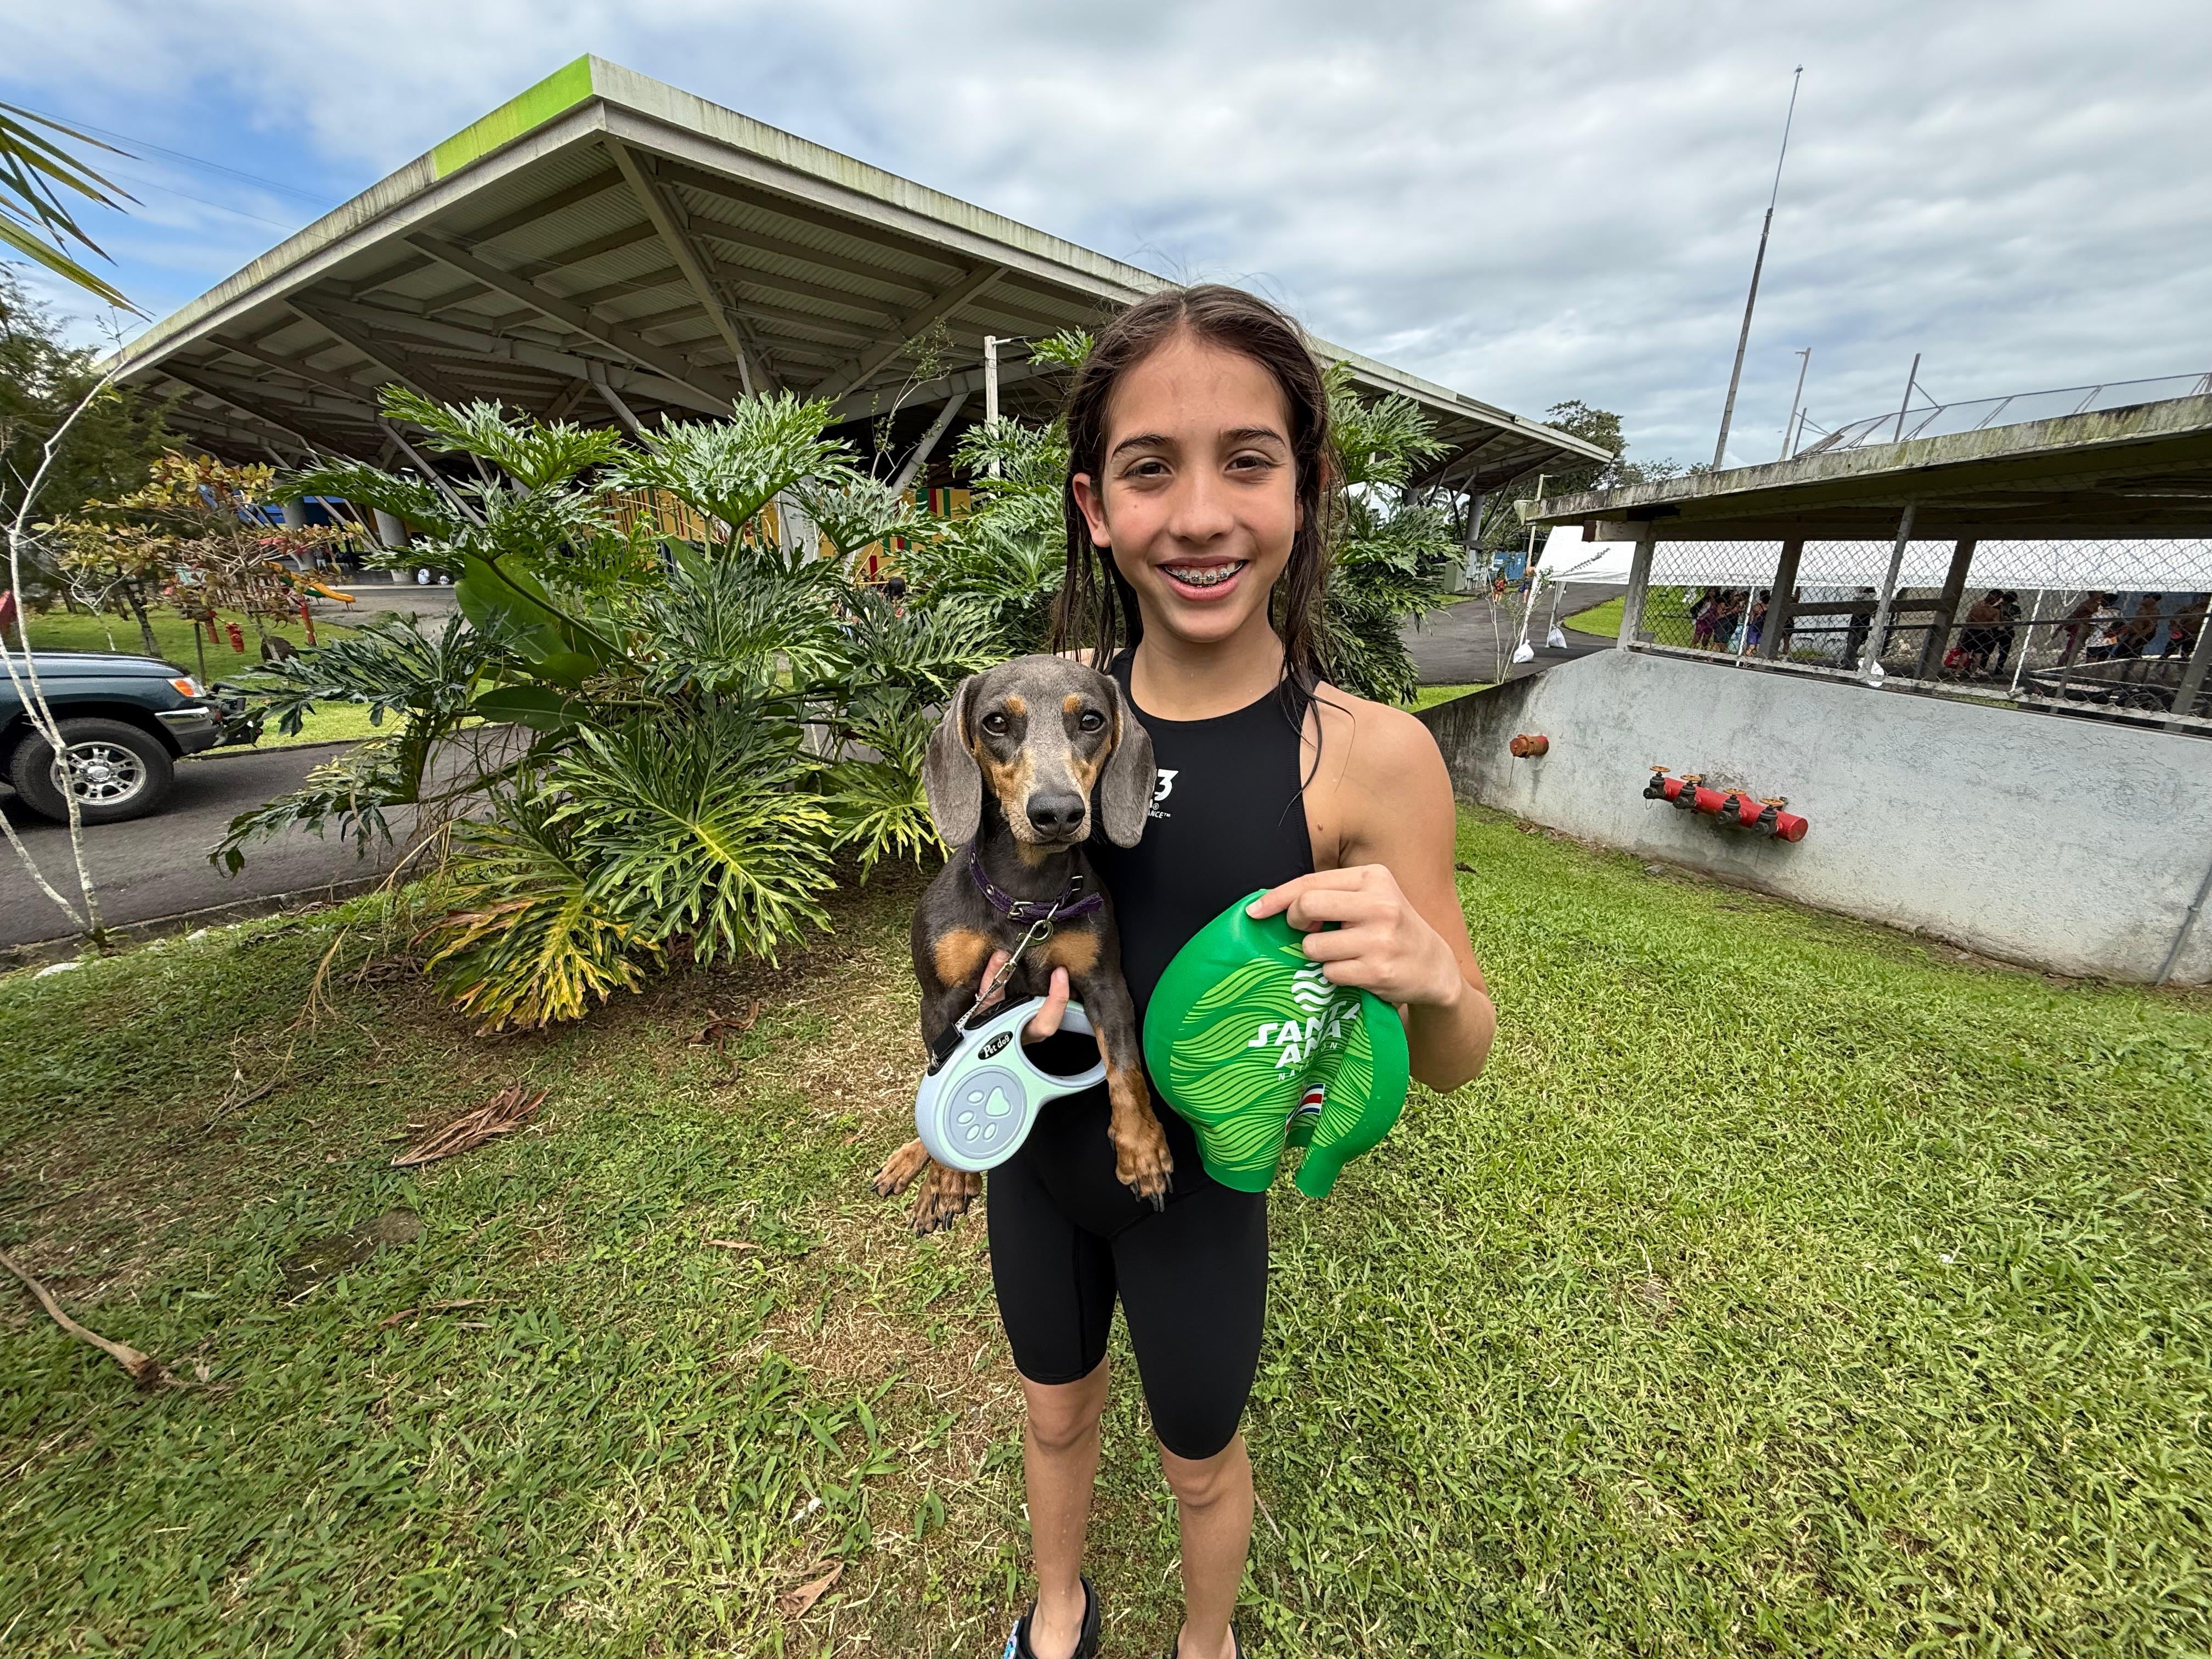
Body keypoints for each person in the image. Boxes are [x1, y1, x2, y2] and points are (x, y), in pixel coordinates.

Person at [978, 286, 1496, 1659]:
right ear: (1097, 507)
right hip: (1038, 1164)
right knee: (1051, 1408)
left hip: (1205, 1196)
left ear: (1310, 488)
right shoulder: (1048, 710)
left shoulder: (1371, 755)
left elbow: (1456, 1053)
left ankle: (1206, 1643)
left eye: (1246, 462)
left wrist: (1432, 977)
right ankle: (1058, 1607)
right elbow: (984, 917)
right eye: (1151, 469)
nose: (1199, 515)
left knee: (1200, 1458)